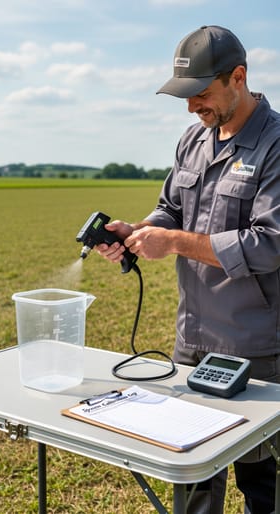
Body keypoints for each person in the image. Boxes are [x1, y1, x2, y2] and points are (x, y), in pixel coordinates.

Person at [95, 26, 279, 513]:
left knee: (260, 473)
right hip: (192, 339)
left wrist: (172, 241)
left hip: (255, 344)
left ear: (238, 77)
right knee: (193, 470)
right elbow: (170, 209)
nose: (192, 108)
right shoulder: (192, 141)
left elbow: (269, 244)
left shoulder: (276, 146)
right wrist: (138, 230)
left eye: (200, 95)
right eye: (185, 97)